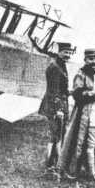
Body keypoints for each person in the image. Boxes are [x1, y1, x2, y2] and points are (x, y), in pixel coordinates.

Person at [58, 48, 95, 182]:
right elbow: (77, 94)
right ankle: (92, 174)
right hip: (88, 113)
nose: (93, 61)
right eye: (90, 59)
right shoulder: (81, 74)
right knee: (91, 144)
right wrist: (92, 94)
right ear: (85, 60)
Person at [38, 42, 73, 176]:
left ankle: (54, 165)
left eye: (69, 53)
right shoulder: (55, 67)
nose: (67, 55)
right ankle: (51, 166)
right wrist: (58, 109)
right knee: (55, 136)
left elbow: (61, 89)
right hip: (54, 107)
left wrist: (71, 92)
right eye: (65, 52)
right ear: (59, 52)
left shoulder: (61, 65)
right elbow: (53, 91)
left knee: (58, 135)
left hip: (59, 104)